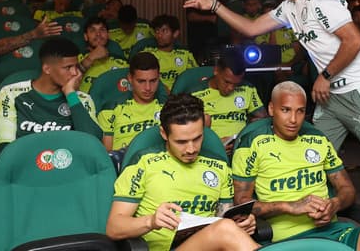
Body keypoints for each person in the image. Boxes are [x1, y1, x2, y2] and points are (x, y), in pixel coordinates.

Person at [184, 0, 360, 225]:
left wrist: (325, 75)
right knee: (311, 155)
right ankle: (315, 214)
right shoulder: (290, 7)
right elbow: (251, 28)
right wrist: (214, 6)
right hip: (331, 95)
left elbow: (354, 41)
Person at [232, 81, 360, 248]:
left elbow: (347, 190)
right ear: (272, 109)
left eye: (300, 111)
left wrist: (335, 204)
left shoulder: (318, 140)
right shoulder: (252, 144)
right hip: (288, 240)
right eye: (286, 110)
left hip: (333, 231)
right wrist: (289, 206)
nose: (294, 120)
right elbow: (241, 203)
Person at [106, 93, 259, 251]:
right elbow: (114, 227)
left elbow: (225, 217)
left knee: (226, 227)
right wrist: (151, 221)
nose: (191, 149)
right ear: (164, 134)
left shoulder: (219, 165)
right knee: (225, 229)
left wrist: (243, 223)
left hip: (211, 244)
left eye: (197, 138)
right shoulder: (143, 163)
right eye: (181, 142)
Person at [0, 37, 102, 145]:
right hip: (24, 159)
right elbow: (6, 144)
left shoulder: (81, 99)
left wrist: (70, 94)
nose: (75, 73)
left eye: (76, 66)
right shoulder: (11, 93)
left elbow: (93, 142)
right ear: (47, 69)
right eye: (68, 67)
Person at [189, 52, 267, 142]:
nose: (231, 88)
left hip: (241, 146)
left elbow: (263, 119)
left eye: (236, 84)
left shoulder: (247, 88)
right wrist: (214, 145)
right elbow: (189, 131)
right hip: (210, 147)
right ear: (216, 70)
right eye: (227, 82)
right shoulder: (196, 93)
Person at [97, 52, 163, 151]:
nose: (148, 88)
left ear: (159, 78)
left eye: (153, 81)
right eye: (141, 81)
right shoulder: (110, 110)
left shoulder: (168, 109)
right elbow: (107, 156)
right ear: (130, 79)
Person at [141, 14, 198, 91]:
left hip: (181, 96)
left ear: (175, 33)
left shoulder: (185, 55)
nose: (159, 35)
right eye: (157, 31)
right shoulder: (147, 54)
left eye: (164, 31)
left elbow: (196, 78)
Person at [78, 16, 128, 93]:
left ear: (108, 35)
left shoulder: (121, 62)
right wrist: (90, 58)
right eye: (92, 30)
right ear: (85, 36)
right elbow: (67, 81)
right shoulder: (77, 60)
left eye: (102, 30)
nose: (98, 34)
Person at [186, 0, 218, 64]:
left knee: (213, 61)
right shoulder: (193, 1)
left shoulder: (215, 1)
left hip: (213, 36)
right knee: (195, 61)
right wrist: (210, 18)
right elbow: (191, 17)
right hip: (196, 37)